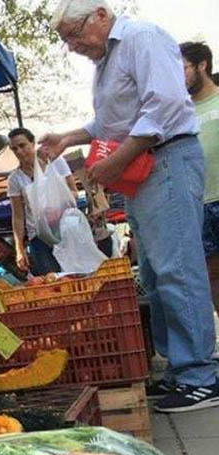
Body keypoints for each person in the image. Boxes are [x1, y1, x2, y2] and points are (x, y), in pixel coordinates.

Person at [42, 0, 217, 412]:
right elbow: (111, 123)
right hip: (140, 170)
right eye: (65, 39)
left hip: (166, 159)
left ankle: (200, 375)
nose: (72, 46)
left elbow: (165, 107)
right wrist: (70, 137)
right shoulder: (108, 61)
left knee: (178, 266)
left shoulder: (143, 39)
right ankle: (178, 369)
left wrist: (115, 161)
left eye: (74, 34)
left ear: (100, 16)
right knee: (155, 273)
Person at [7, 128, 79, 276]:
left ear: (32, 143)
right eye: (14, 149)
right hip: (38, 237)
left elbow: (74, 192)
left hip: (65, 229)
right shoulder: (15, 179)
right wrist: (19, 249)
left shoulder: (55, 163)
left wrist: (58, 201)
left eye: (22, 145)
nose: (19, 151)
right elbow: (18, 217)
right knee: (50, 280)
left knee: (75, 275)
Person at [181, 42, 219, 315]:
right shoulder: (180, 112)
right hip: (199, 205)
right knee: (213, 275)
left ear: (201, 65)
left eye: (181, 68)